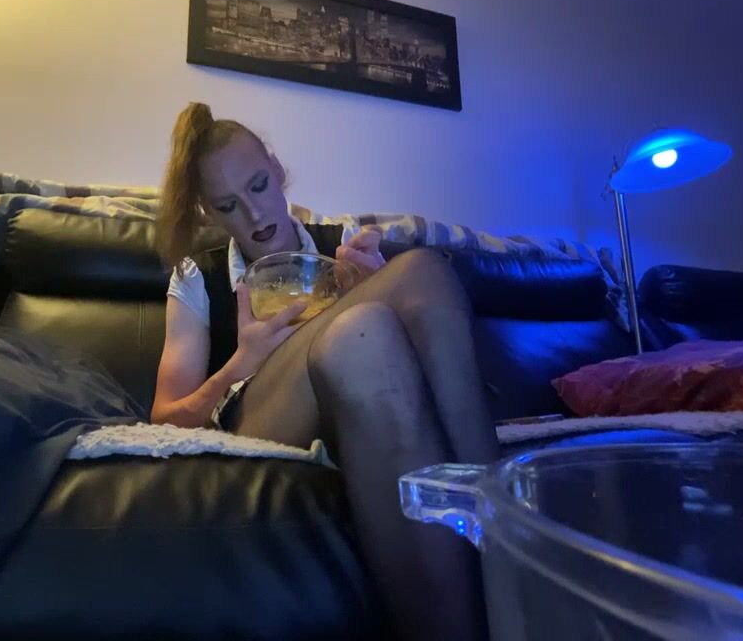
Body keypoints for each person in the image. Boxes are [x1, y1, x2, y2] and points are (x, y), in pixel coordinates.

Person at [152, 102, 500, 640]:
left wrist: (372, 288)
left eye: (259, 185)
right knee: (390, 300)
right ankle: (511, 555)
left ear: (276, 167)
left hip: (351, 391)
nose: (255, 214)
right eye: (229, 205)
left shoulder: (341, 248)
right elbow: (162, 421)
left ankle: (503, 551)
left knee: (390, 304)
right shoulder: (197, 276)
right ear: (210, 213)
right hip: (261, 414)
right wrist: (241, 363)